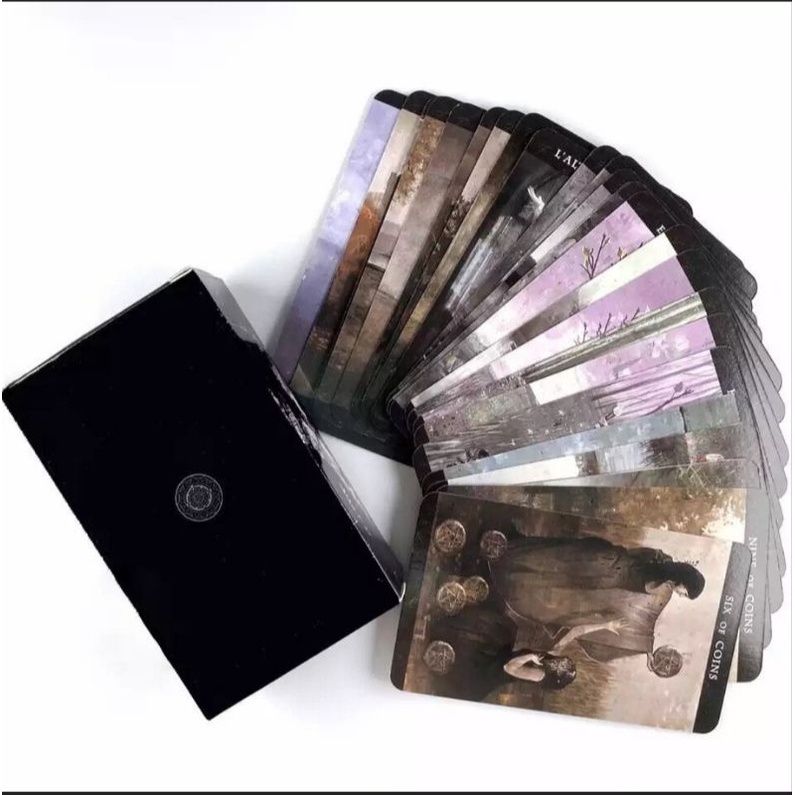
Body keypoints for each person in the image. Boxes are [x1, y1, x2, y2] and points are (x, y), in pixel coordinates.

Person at [488, 535, 704, 665]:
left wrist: (646, 651)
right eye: (685, 593)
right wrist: (646, 647)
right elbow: (646, 618)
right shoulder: (664, 588)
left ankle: (503, 552)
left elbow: (635, 554)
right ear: (684, 583)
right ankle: (506, 575)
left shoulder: (662, 557)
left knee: (554, 563)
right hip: (605, 577)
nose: (681, 595)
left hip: (604, 557)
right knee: (554, 586)